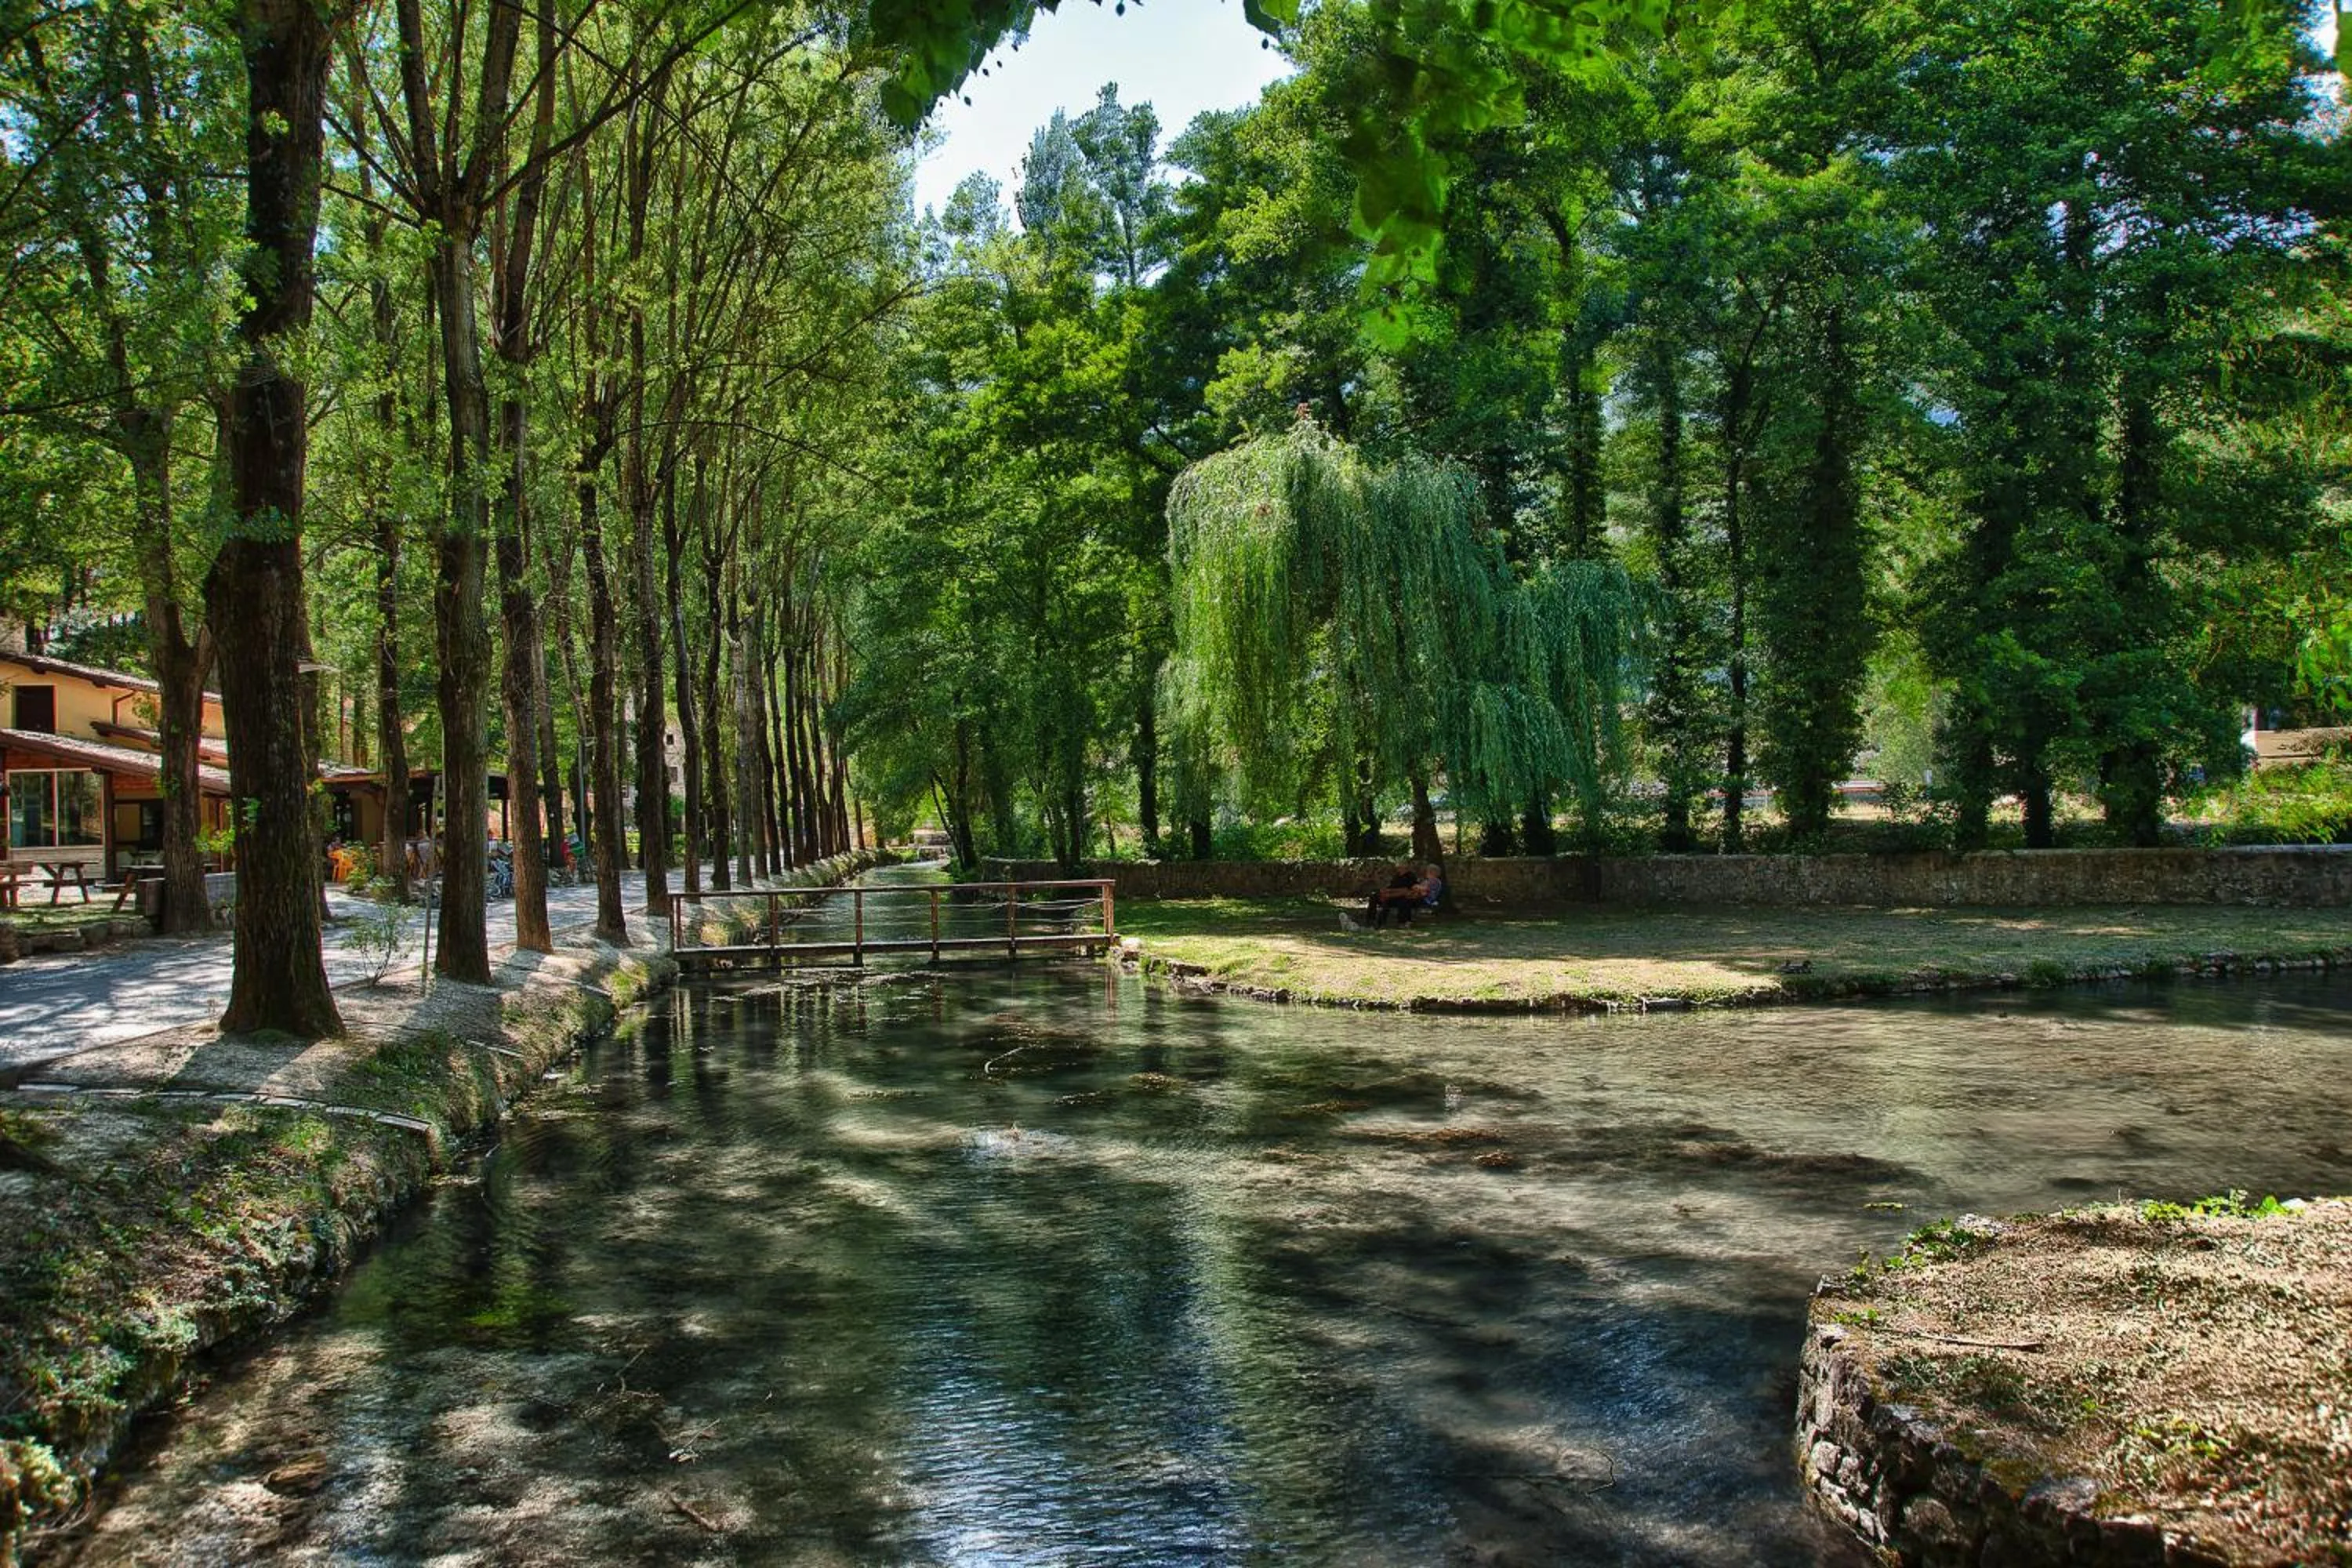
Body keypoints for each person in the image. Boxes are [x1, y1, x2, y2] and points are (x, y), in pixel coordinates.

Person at [1364, 861, 1444, 928]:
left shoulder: (1414, 877)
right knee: (1376, 896)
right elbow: (1392, 886)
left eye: (1401, 868)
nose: (1399, 869)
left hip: (1416, 898)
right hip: (1403, 895)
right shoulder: (1397, 877)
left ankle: (1401, 922)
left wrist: (1417, 888)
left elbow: (1420, 889)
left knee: (1403, 898)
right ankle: (1371, 920)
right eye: (1399, 868)